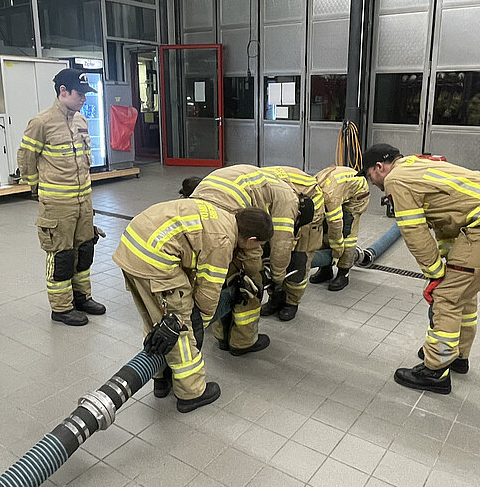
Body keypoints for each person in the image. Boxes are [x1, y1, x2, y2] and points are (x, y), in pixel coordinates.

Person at [360, 144, 480, 394]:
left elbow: (414, 232)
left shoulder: (396, 179)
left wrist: (435, 275)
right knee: (462, 292)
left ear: (379, 167)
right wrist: (446, 266)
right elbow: (447, 222)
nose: (372, 183)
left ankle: (436, 371)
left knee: (446, 296)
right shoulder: (417, 166)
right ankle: (457, 355)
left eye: (369, 176)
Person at [113, 200, 273, 412]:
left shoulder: (222, 217)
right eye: (259, 245)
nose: (257, 249)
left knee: (156, 321)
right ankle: (191, 393)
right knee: (179, 328)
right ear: (251, 239)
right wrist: (197, 323)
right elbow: (208, 292)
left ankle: (161, 380)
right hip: (156, 262)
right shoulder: (223, 241)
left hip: (132, 248)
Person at [17, 69, 106, 326]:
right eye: (80, 94)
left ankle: (82, 298)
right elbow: (26, 159)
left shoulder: (81, 121)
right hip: (57, 204)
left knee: (84, 250)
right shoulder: (41, 123)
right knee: (61, 255)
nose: (84, 99)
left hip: (84, 201)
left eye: (86, 95)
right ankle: (61, 307)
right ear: (63, 91)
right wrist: (38, 189)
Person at [190, 165, 301, 351]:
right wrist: (276, 277)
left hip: (199, 207)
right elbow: (281, 244)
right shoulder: (288, 198)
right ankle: (243, 342)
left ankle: (221, 337)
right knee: (250, 284)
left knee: (220, 277)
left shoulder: (262, 178)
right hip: (227, 211)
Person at [260, 166, 325, 320]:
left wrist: (277, 275)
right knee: (269, 252)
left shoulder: (281, 199)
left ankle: (291, 302)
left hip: (309, 208)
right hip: (287, 200)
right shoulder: (254, 194)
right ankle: (275, 298)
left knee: (299, 259)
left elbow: (282, 243)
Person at [310, 166, 371, 291]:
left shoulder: (329, 197)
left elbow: (335, 225)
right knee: (323, 229)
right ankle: (326, 270)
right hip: (340, 187)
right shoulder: (310, 190)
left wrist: (337, 250)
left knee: (347, 232)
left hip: (358, 194)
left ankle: (344, 272)